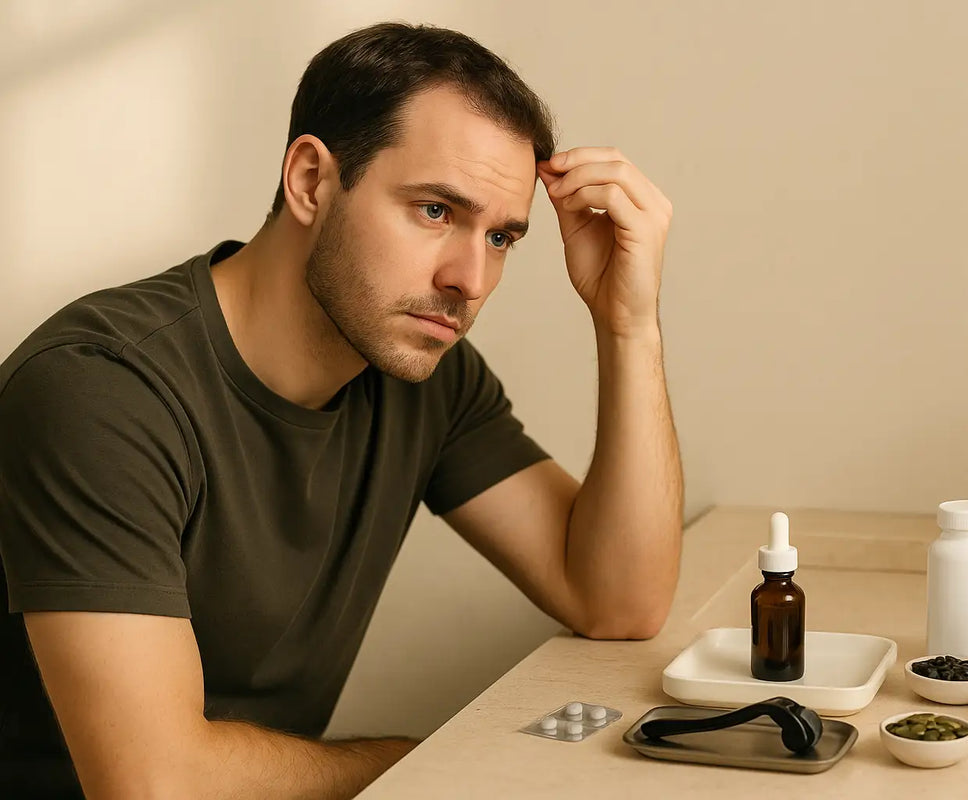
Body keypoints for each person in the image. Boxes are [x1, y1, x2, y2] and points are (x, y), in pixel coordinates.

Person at [0, 21, 681, 799]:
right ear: (311, 182)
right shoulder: (102, 388)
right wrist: (449, 761)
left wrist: (627, 323)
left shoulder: (422, 376)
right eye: (434, 211)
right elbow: (154, 784)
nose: (471, 278)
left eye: (501, 237)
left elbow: (618, 600)